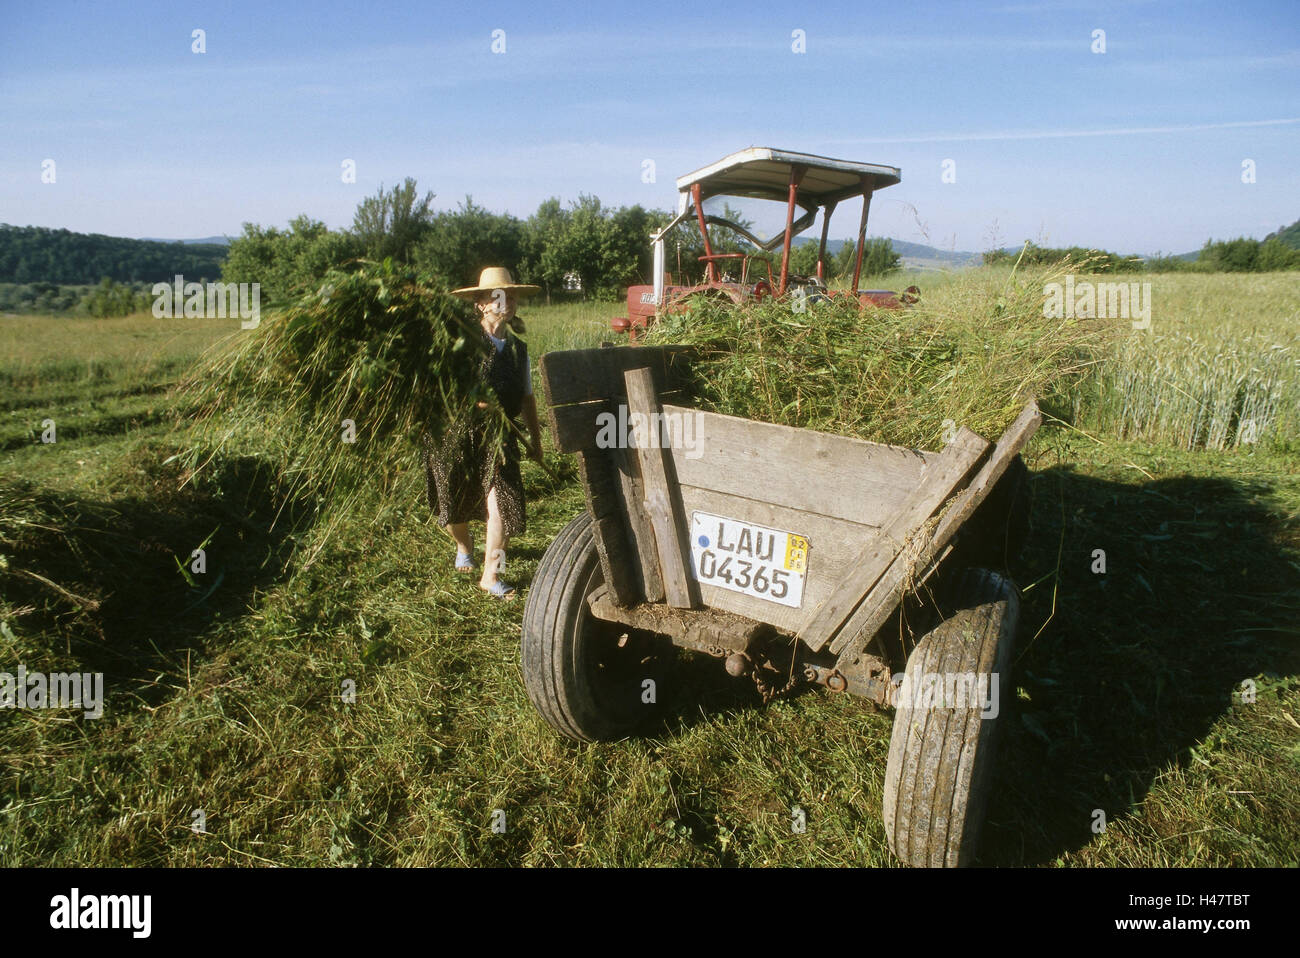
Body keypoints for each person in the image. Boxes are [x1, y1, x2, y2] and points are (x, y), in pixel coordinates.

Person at [423, 267, 544, 599]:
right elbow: (443, 389)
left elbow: (527, 398)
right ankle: (464, 544)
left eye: (512, 295)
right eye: (498, 295)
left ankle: (491, 575)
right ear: (479, 304)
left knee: (504, 504)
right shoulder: (463, 342)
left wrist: (536, 439)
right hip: (455, 434)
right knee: (452, 505)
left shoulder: (519, 350)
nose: (508, 301)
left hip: (500, 436)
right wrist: (471, 403)